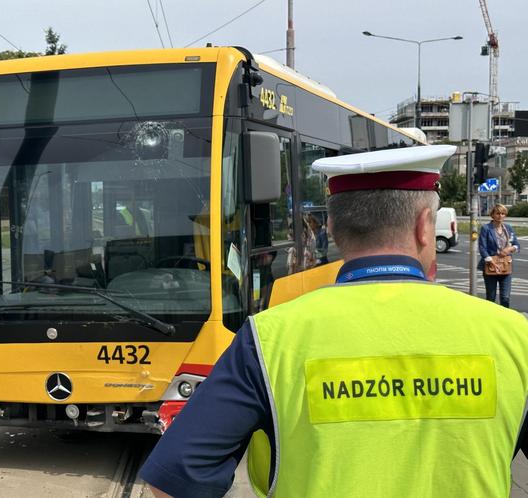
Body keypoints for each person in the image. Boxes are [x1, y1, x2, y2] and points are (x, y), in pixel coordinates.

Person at [139, 145, 528, 498]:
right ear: (425, 226)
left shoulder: (269, 339)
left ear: (331, 228)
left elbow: (172, 480)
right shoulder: (514, 336)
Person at [478, 203, 519, 308]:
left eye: (503, 213)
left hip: (505, 266)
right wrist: (491, 261)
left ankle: (504, 320)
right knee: (491, 297)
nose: (500, 216)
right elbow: (482, 248)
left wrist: (509, 249)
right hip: (491, 266)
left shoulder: (508, 228)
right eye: (498, 213)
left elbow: (516, 245)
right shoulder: (486, 228)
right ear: (492, 215)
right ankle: (489, 320)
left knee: (505, 298)